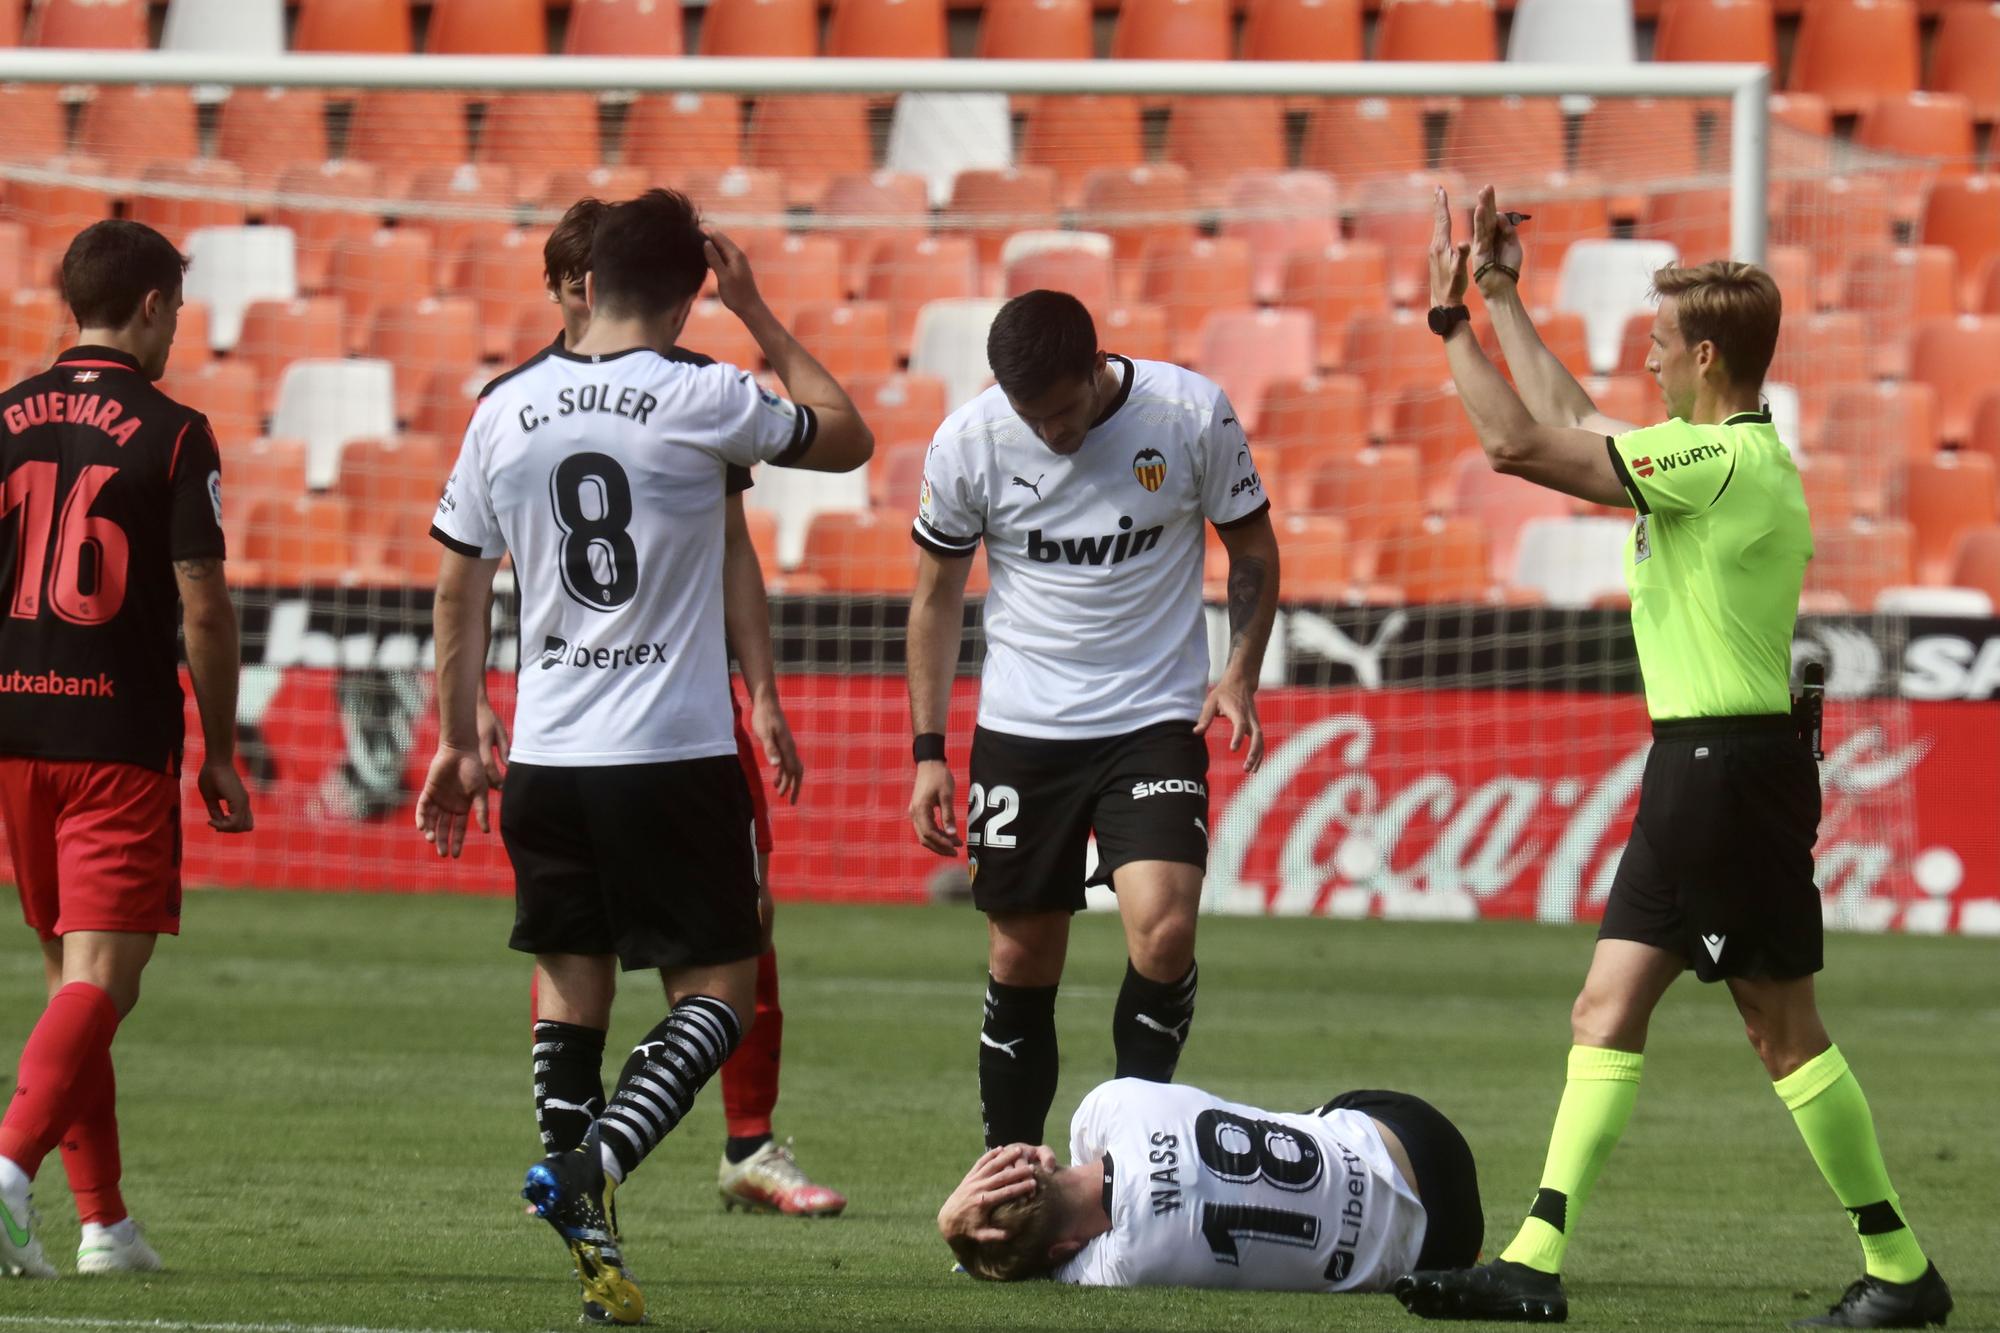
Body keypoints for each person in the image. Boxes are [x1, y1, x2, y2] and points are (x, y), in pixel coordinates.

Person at [1392, 187, 1951, 1329]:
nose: (1641, 364)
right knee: (1608, 1008)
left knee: (1775, 1027)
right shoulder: (1717, 456)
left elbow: (1515, 443)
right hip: (1703, 766)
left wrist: (1448, 325)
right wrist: (1502, 297)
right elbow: (1580, 422)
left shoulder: (1725, 463)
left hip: (1723, 773)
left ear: (1703, 356)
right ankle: (1532, 1263)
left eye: (1654, 346)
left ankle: (1898, 1268)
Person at [416, 189, 872, 1325]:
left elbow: (456, 588)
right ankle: (594, 1168)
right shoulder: (704, 395)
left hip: (548, 754)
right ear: (686, 291)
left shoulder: (500, 410)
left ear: (586, 283)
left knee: (569, 983)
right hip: (667, 751)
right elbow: (847, 431)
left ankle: (594, 1258)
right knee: (719, 987)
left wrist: (460, 736)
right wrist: (758, 312)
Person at [905, 290, 1281, 1151]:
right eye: (1031, 417)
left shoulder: (1187, 413)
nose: (1051, 434)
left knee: (1164, 926)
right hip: (1023, 728)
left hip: (1153, 716)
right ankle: (1008, 1171)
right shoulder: (970, 440)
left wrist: (1239, 672)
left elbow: (1252, 546)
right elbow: (934, 598)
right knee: (1021, 959)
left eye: (1065, 412)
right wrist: (929, 750)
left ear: (1097, 365)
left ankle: (1126, 1156)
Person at [0, 219, 253, 1279]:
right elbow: (204, 608)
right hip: (115, 728)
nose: (177, 332)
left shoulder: (4, 416)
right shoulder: (175, 429)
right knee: (109, 976)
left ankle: (105, 1224)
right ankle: (6, 1169)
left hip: (15, 728)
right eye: (178, 311)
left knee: (74, 977)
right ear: (150, 304)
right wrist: (224, 749)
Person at [938, 1077, 1481, 1293]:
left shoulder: (1126, 1266)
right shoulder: (1110, 1105)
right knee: (1288, 1127)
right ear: (1040, 1159)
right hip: (1418, 1134)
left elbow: (1043, 1257)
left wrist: (966, 1237)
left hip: (1437, 1250)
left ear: (1061, 1251)